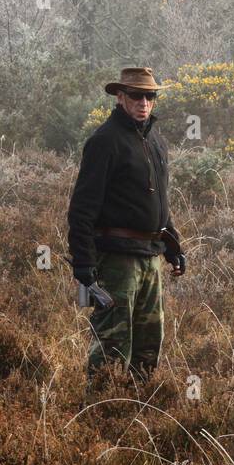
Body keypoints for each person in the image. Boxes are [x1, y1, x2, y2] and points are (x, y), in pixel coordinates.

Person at [67, 66, 185, 386]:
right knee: (112, 344)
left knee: (148, 343)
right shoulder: (104, 141)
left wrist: (173, 247)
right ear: (120, 97)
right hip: (116, 260)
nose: (143, 102)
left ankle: (136, 409)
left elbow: (159, 204)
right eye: (135, 95)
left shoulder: (156, 141)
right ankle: (102, 413)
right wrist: (84, 267)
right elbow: (81, 210)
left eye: (150, 96)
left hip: (149, 258)